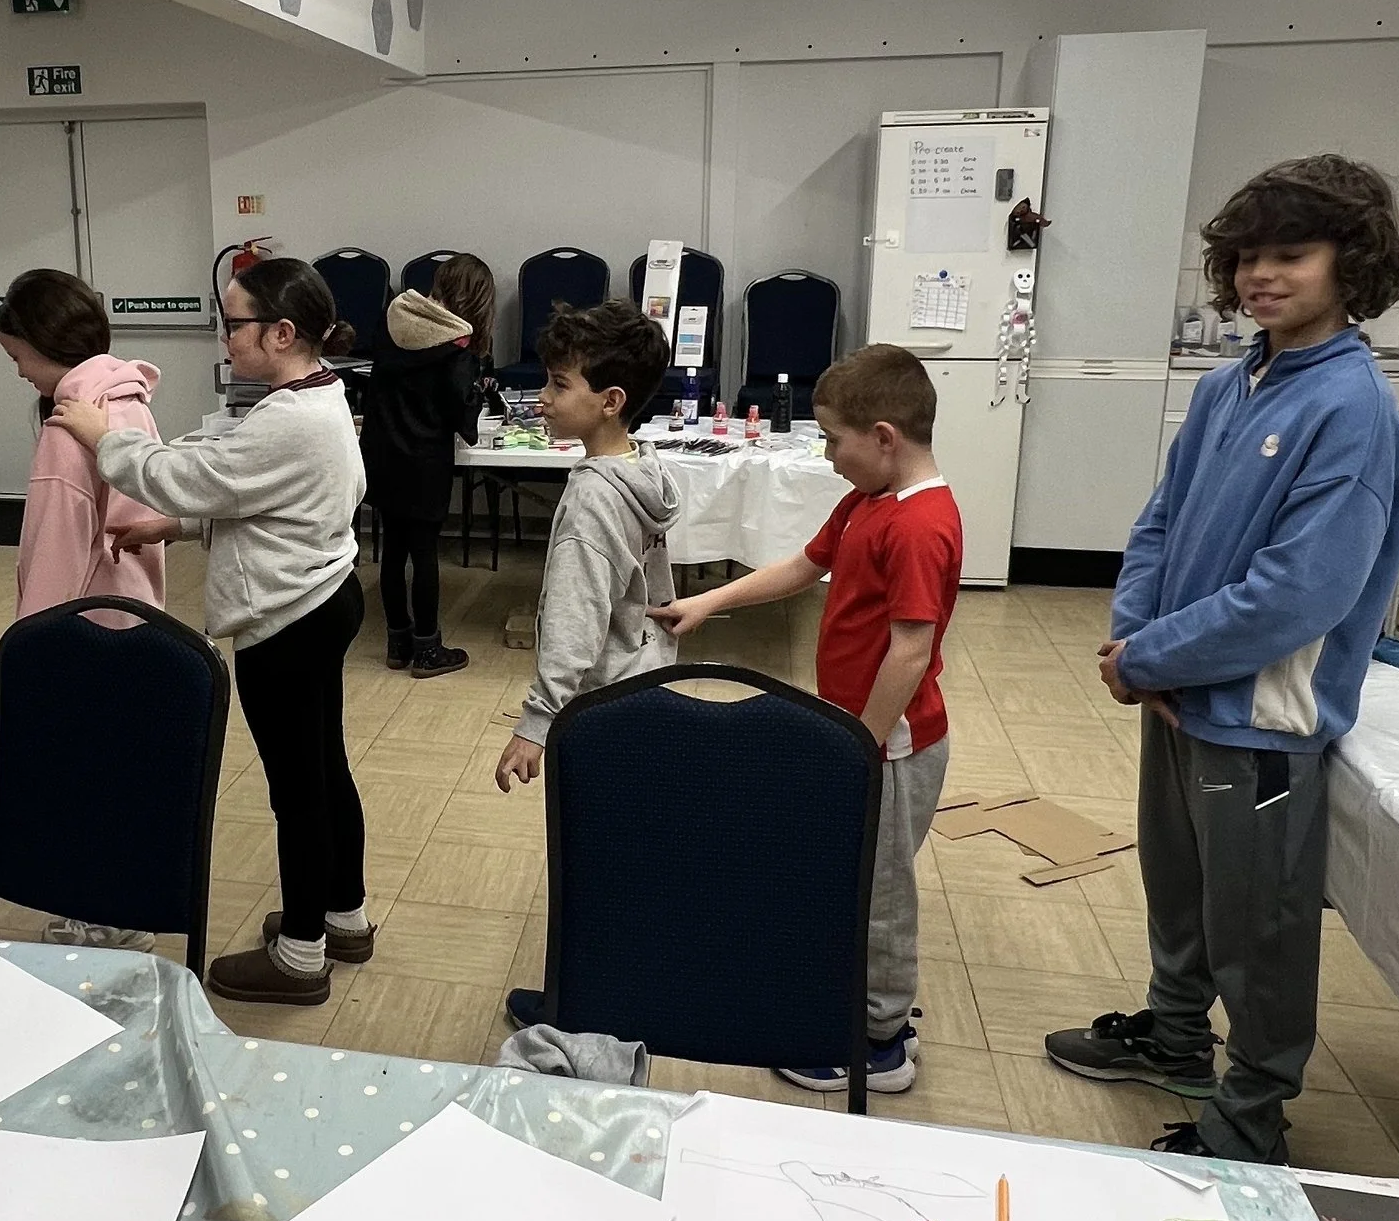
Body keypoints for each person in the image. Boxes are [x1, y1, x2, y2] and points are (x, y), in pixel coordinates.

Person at [1044, 154, 1399, 1164]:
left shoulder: (1350, 410)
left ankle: (1251, 1122)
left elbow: (1301, 594)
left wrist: (1155, 657)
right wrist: (1135, 640)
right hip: (1174, 693)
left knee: (1259, 929)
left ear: (1352, 264)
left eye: (1289, 254)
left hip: (1257, 719)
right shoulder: (1228, 386)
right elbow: (1160, 522)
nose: (1262, 275)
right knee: (1181, 889)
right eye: (1247, 256)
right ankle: (1173, 1039)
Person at [52, 255, 367, 1007]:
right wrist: (179, 525)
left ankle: (300, 955)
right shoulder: (319, 396)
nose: (225, 338)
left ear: (282, 331)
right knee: (324, 768)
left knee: (299, 790)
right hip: (323, 596)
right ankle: (342, 914)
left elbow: (181, 473)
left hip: (288, 620)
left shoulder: (288, 418)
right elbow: (254, 495)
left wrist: (104, 436)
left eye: (234, 324)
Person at [653, 344, 962, 1093]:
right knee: (851, 871)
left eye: (834, 440)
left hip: (890, 741)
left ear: (884, 437)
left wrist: (859, 740)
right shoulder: (868, 502)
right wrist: (711, 600)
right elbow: (804, 564)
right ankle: (861, 1003)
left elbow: (910, 652)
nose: (827, 455)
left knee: (880, 888)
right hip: (862, 732)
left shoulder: (920, 524)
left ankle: (880, 1041)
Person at [495, 297, 679, 1025]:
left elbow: (575, 623)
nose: (542, 398)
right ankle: (611, 983)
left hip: (603, 703)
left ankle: (584, 1004)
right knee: (621, 849)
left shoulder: (591, 501)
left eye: (559, 384)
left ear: (610, 402)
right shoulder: (644, 468)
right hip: (646, 680)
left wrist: (536, 722)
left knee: (590, 860)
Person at [0, 270, 167, 615]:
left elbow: (56, 549)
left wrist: (30, 637)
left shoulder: (69, 426)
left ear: (46, 341)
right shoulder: (130, 399)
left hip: (84, 617)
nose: (19, 372)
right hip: (136, 601)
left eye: (17, 357)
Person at [361, 253, 497, 677]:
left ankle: (397, 643)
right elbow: (461, 415)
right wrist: (480, 397)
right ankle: (428, 649)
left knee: (392, 551)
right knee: (424, 555)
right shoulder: (456, 348)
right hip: (423, 462)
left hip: (382, 455)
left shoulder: (393, 323)